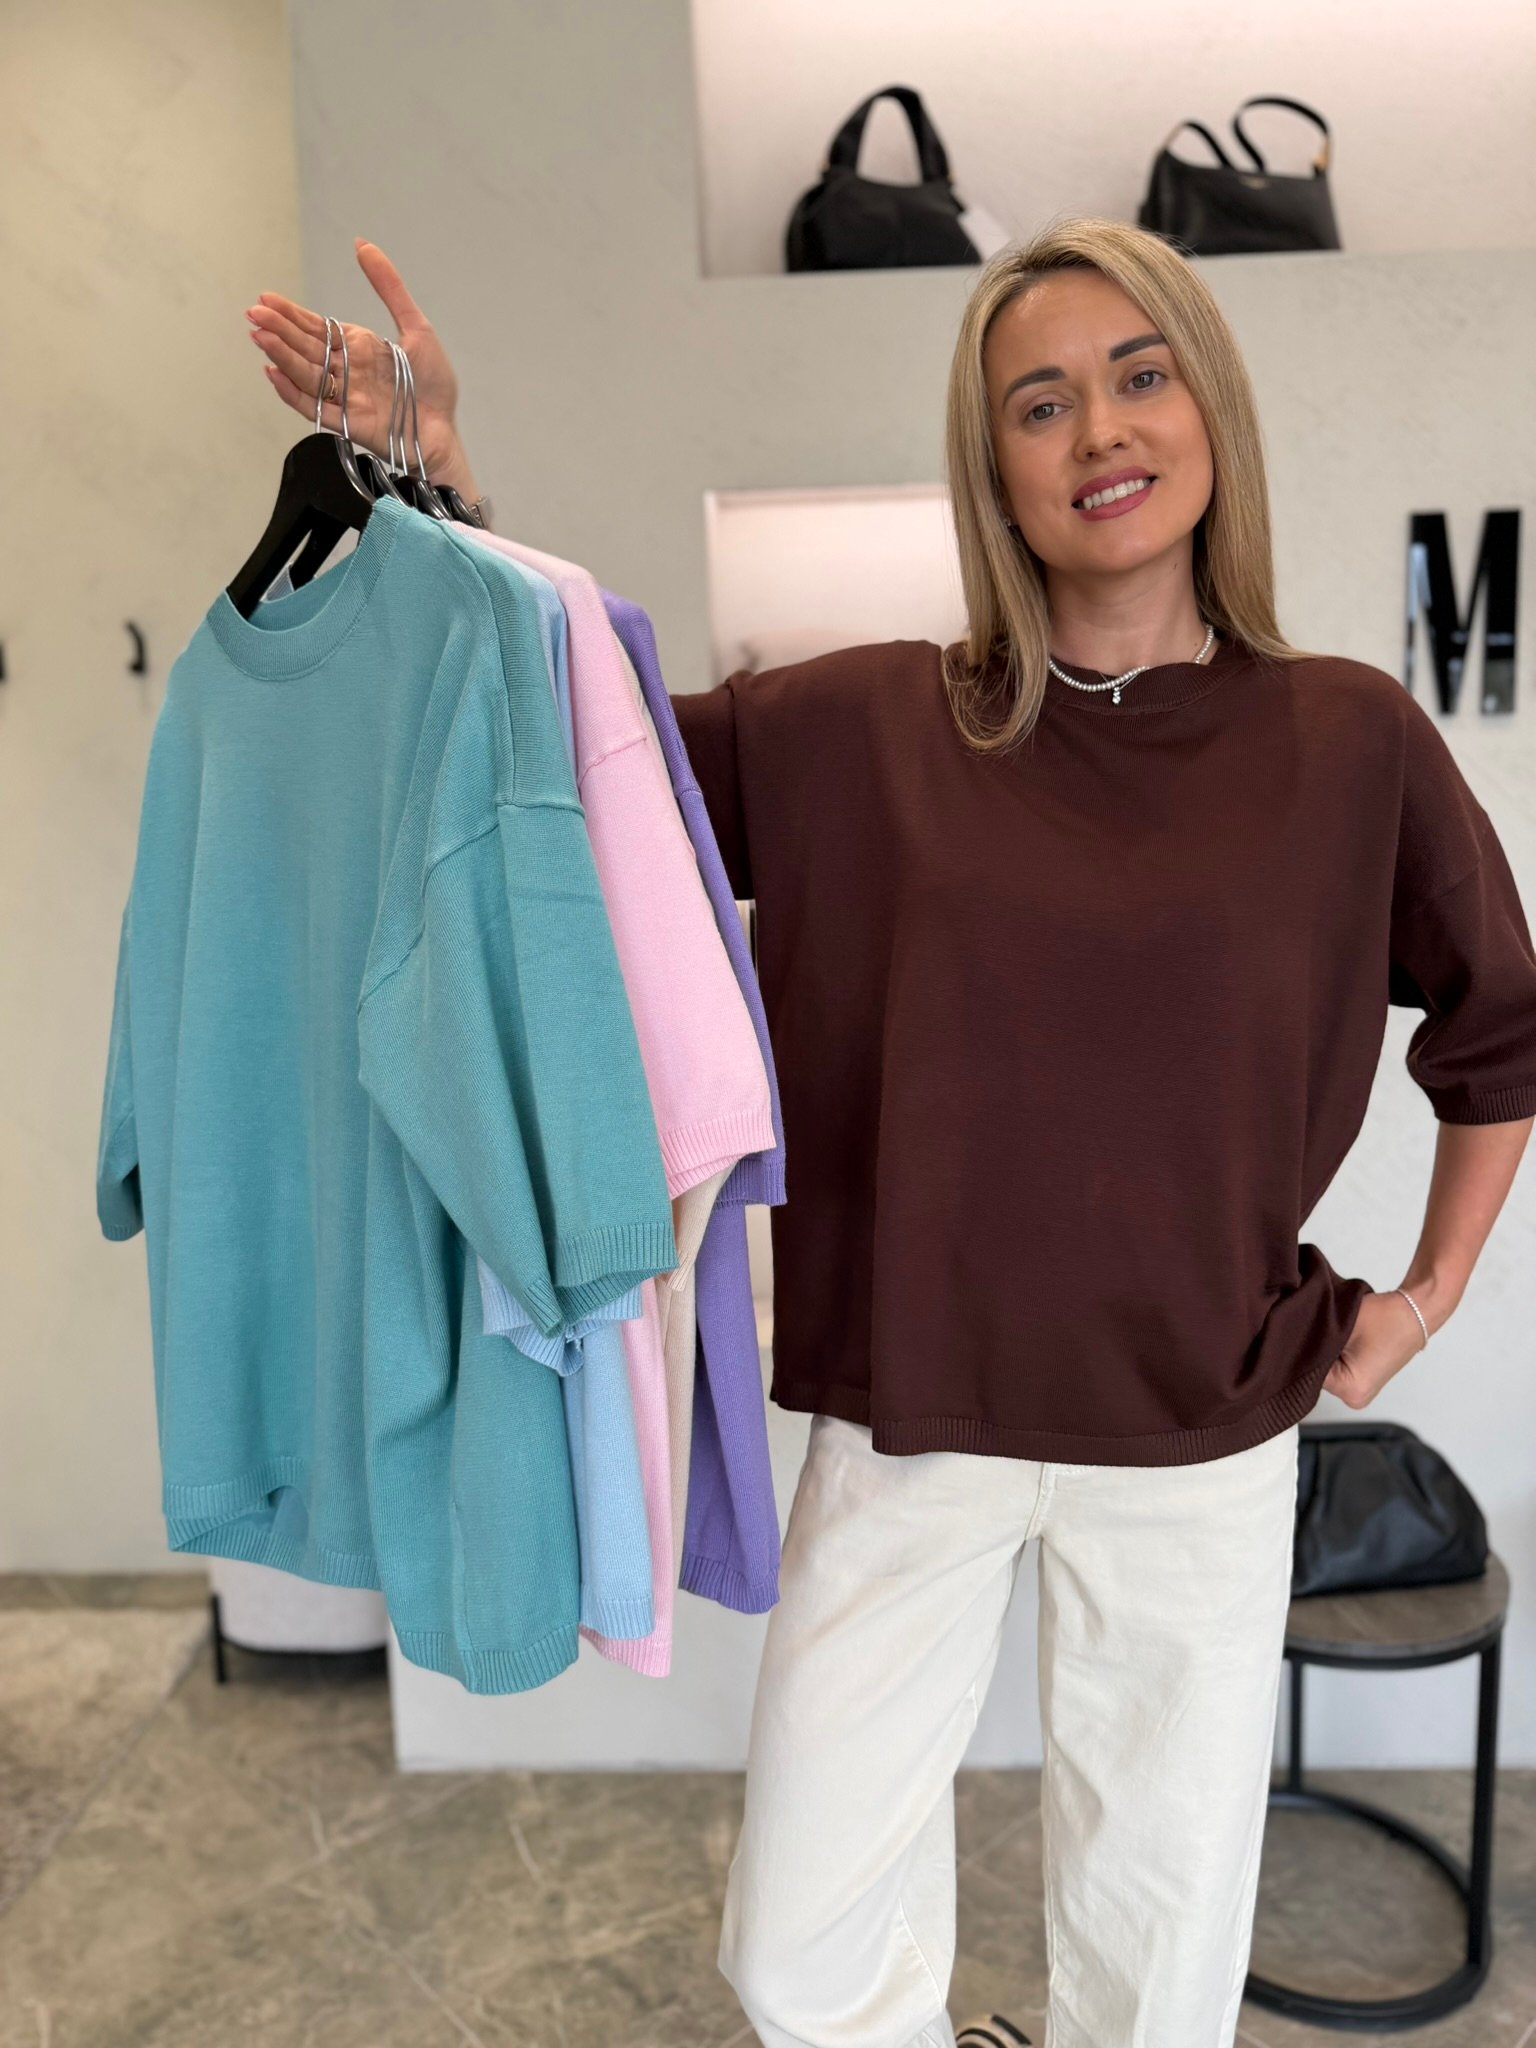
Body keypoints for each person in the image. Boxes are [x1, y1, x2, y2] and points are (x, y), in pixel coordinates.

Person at [245, 219, 1536, 2048]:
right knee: (800, 1950)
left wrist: (1426, 1297)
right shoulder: (872, 724)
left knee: (1157, 1968)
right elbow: (578, 760)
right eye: (1040, 401)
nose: (1101, 428)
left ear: (1212, 408)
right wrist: (443, 483)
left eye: (1141, 375)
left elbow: (1501, 1025)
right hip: (912, 1409)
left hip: (1205, 1422)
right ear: (993, 466)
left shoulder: (1350, 740)